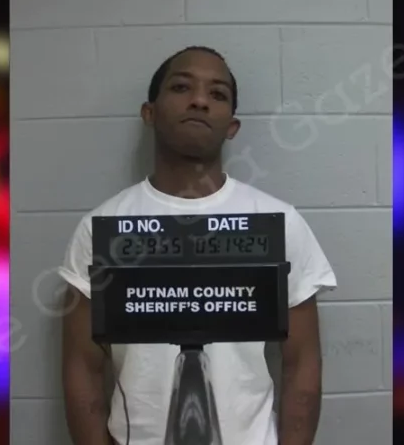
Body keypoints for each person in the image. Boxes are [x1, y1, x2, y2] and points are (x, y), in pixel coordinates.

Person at [58, 46, 337, 445]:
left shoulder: (279, 222)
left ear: (232, 126)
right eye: (181, 87)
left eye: (217, 94)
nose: (200, 101)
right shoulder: (102, 227)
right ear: (149, 112)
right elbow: (82, 368)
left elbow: (302, 362)